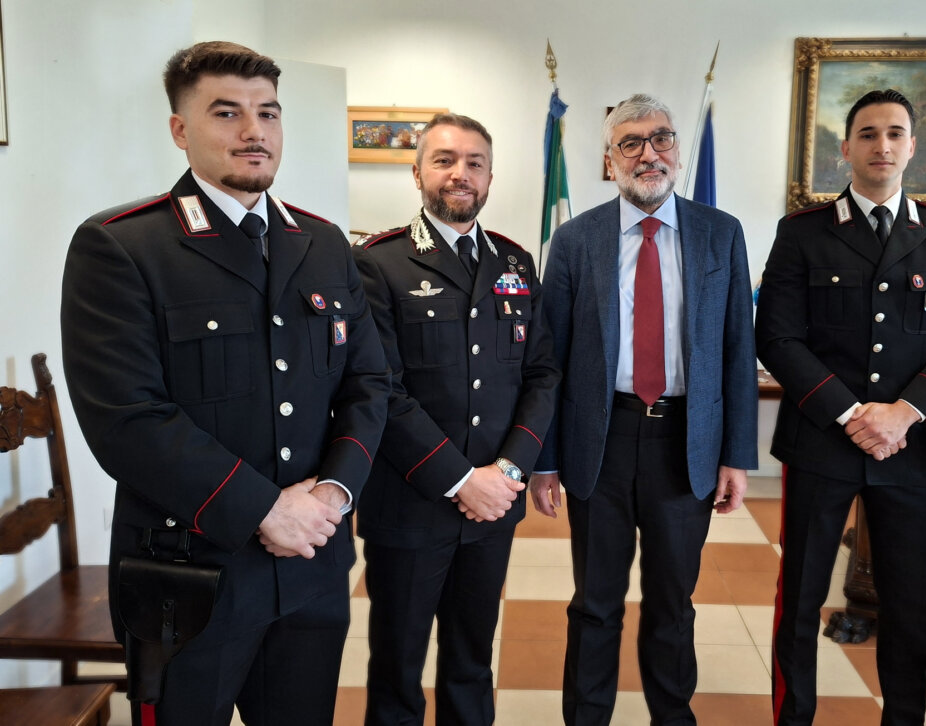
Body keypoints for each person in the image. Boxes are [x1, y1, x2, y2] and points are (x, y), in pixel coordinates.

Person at [60, 41, 390, 726]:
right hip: (190, 576)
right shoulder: (123, 247)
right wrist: (268, 510)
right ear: (180, 130)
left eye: (268, 113)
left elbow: (368, 383)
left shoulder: (324, 243)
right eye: (226, 113)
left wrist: (332, 492)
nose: (254, 132)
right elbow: (128, 422)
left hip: (312, 563)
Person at [755, 89, 926, 725]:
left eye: (894, 134)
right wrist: (852, 415)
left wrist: (903, 413)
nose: (881, 145)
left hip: (910, 450)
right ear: (846, 148)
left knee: (910, 604)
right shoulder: (802, 232)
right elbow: (778, 338)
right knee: (801, 600)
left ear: (912, 147)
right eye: (867, 134)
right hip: (821, 444)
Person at [530, 93, 758, 725]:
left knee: (672, 601)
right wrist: (543, 461)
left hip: (686, 443)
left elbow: (738, 347)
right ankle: (587, 716)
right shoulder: (577, 239)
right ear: (609, 160)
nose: (648, 153)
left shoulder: (722, 233)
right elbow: (549, 358)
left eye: (660, 139)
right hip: (598, 442)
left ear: (678, 151)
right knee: (595, 601)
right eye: (630, 142)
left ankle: (671, 716)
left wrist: (738, 454)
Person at [352, 113, 560, 726]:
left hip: (494, 502)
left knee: (472, 658)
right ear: (417, 172)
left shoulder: (517, 264)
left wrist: (509, 470)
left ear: (491, 176)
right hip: (411, 503)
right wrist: (460, 479)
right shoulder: (376, 263)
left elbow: (542, 374)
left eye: (473, 162)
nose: (459, 173)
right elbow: (380, 389)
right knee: (397, 665)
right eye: (443, 159)